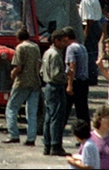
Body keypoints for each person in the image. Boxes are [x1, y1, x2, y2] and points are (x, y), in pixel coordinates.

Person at [4, 27, 41, 146]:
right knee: (31, 112)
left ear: (18, 38)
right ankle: (31, 138)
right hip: (35, 82)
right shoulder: (35, 47)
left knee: (11, 108)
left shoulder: (20, 48)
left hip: (22, 82)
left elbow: (18, 67)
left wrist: (12, 74)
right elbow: (39, 64)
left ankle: (13, 134)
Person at [42, 29, 69, 157]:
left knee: (48, 117)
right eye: (62, 41)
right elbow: (56, 74)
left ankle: (47, 144)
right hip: (56, 87)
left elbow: (42, 71)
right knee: (56, 118)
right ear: (56, 41)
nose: (65, 44)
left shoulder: (47, 53)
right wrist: (67, 76)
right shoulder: (56, 54)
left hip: (48, 86)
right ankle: (55, 145)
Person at [76, 0, 103, 84]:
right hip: (96, 25)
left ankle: (91, 78)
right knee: (93, 52)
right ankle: (93, 76)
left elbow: (89, 20)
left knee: (90, 53)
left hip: (91, 27)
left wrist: (85, 35)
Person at [63, 26, 91, 125]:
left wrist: (69, 85)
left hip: (75, 82)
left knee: (64, 110)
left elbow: (72, 66)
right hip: (84, 81)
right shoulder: (82, 47)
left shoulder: (70, 48)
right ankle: (86, 135)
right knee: (83, 110)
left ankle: (57, 135)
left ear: (66, 37)